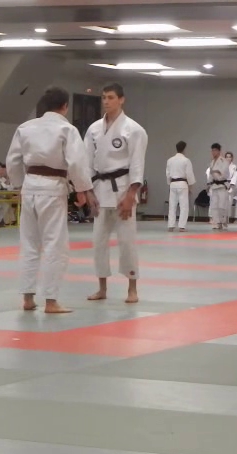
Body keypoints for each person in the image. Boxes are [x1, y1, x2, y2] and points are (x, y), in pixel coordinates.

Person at [6, 86, 98, 314]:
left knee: (29, 244)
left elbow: (13, 160)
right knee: (54, 245)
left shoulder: (25, 127)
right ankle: (51, 300)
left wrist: (19, 184)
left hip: (29, 186)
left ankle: (28, 298)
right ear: (65, 106)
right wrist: (82, 189)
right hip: (53, 187)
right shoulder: (67, 129)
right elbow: (76, 163)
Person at [84, 83, 148, 304]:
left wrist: (131, 195)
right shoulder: (93, 129)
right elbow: (87, 163)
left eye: (111, 97)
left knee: (127, 242)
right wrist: (88, 192)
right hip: (100, 191)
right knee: (98, 242)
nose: (106, 101)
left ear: (121, 99)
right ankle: (102, 287)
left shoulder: (134, 130)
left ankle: (132, 288)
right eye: (103, 97)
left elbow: (137, 165)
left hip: (122, 190)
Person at [165, 141, 196, 232]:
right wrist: (191, 185)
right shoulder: (186, 160)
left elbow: (168, 174)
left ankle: (171, 225)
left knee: (172, 205)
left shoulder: (170, 160)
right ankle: (182, 226)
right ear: (184, 149)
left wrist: (169, 183)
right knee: (184, 206)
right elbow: (189, 174)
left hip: (173, 183)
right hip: (182, 184)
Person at [206, 143, 230, 230]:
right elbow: (210, 174)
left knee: (222, 205)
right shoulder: (212, 162)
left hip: (222, 185)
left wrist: (216, 172)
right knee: (214, 205)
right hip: (214, 185)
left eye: (215, 150)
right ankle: (217, 223)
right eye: (212, 150)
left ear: (219, 151)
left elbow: (224, 174)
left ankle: (223, 221)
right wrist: (208, 184)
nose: (213, 152)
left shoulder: (224, 161)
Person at [225, 152, 237, 223]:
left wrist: (231, 184)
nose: (228, 158)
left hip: (233, 186)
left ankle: (234, 218)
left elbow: (235, 176)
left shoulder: (234, 167)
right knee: (225, 202)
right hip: (224, 184)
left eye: (230, 157)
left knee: (231, 201)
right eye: (227, 157)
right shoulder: (222, 166)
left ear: (232, 158)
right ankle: (225, 218)